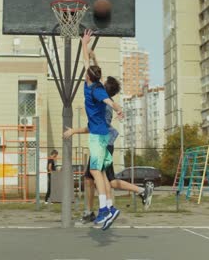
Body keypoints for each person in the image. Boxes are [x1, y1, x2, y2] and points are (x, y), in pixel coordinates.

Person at [65, 76, 154, 224]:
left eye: (103, 83)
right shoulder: (105, 102)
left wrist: (74, 131)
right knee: (106, 180)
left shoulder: (104, 105)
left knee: (96, 177)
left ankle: (103, 211)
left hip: (102, 143)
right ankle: (140, 192)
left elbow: (96, 128)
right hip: (106, 143)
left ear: (104, 89)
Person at [64, 29, 123, 230]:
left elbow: (107, 99)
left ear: (87, 77)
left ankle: (107, 210)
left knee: (96, 172)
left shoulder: (96, 90)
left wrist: (117, 107)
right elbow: (87, 64)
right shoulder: (95, 83)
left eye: (86, 72)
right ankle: (107, 209)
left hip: (98, 137)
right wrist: (85, 46)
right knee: (102, 175)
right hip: (103, 136)